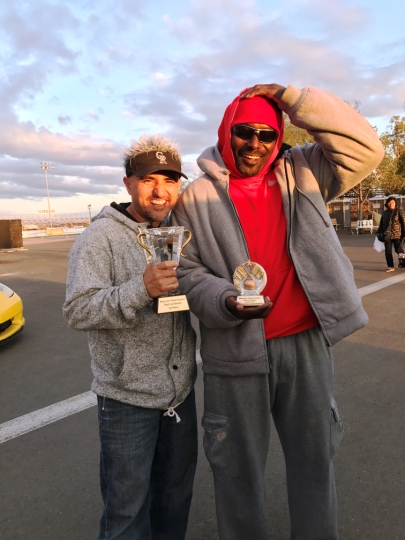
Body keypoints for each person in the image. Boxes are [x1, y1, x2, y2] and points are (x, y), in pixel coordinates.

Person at [171, 84, 384, 540]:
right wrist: (223, 299)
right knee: (236, 471)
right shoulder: (194, 197)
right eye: (245, 132)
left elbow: (367, 148)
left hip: (305, 343)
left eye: (267, 134)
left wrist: (294, 98)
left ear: (279, 136)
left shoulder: (305, 169)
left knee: (314, 462)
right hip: (234, 352)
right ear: (227, 130)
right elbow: (186, 272)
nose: (255, 144)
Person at [63, 135, 198, 540]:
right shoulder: (99, 237)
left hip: (180, 395)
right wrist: (140, 289)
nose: (160, 191)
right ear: (128, 183)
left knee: (174, 500)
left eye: (169, 180)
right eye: (148, 179)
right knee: (126, 513)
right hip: (126, 400)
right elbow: (77, 310)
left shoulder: (178, 233)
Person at [376, 195, 405, 272]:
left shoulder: (399, 211)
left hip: (397, 235)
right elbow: (382, 224)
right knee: (388, 251)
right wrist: (378, 232)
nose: (391, 204)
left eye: (392, 202)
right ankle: (390, 266)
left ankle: (403, 262)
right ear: (387, 204)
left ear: (395, 203)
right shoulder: (385, 213)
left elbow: (404, 224)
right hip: (387, 235)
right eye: (389, 202)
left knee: (398, 250)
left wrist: (404, 235)